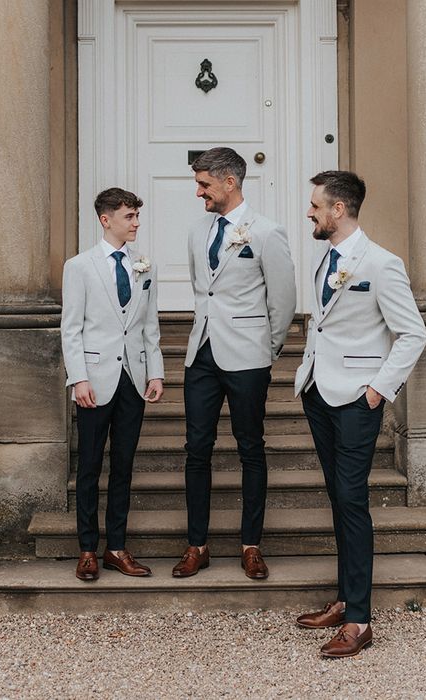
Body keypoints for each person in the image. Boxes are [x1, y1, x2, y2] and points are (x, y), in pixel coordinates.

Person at [294, 171, 426, 657]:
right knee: (339, 496)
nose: (309, 212)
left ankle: (359, 621)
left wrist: (378, 390)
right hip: (318, 391)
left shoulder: (382, 263)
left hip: (356, 397)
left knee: (351, 499)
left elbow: (413, 333)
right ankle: (346, 598)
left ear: (339, 210)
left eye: (315, 205)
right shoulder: (323, 256)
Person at [172, 147, 297, 580]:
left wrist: (268, 349)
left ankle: (250, 545)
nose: (198, 192)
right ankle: (197, 545)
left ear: (230, 182)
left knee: (251, 449)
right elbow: (200, 290)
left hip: (247, 357)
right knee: (196, 450)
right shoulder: (196, 231)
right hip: (201, 355)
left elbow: (283, 300)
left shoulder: (266, 232)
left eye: (204, 184)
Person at [61, 187, 164, 582]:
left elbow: (148, 325)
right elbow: (71, 329)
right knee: (88, 466)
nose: (136, 223)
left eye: (137, 216)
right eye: (129, 217)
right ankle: (87, 550)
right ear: (106, 220)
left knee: (123, 466)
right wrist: (79, 378)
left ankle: (116, 548)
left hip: (133, 380)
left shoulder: (144, 265)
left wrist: (155, 371)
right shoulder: (80, 266)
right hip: (95, 379)